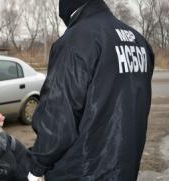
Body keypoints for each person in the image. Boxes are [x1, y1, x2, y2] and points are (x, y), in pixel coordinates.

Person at [28, 0, 154, 180]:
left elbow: (58, 116)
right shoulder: (139, 41)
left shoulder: (76, 40)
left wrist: (37, 166)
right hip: (125, 167)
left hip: (82, 170)